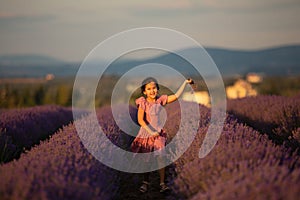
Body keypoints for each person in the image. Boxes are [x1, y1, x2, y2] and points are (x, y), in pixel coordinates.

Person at [131, 77, 194, 193]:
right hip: (146, 133)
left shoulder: (160, 100)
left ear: (157, 89)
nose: (152, 91)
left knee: (161, 157)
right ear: (145, 92)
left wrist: (185, 83)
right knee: (147, 159)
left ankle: (162, 183)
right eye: (149, 89)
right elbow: (140, 120)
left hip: (159, 133)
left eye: (154, 88)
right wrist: (151, 132)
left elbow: (175, 96)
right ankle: (145, 183)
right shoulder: (142, 103)